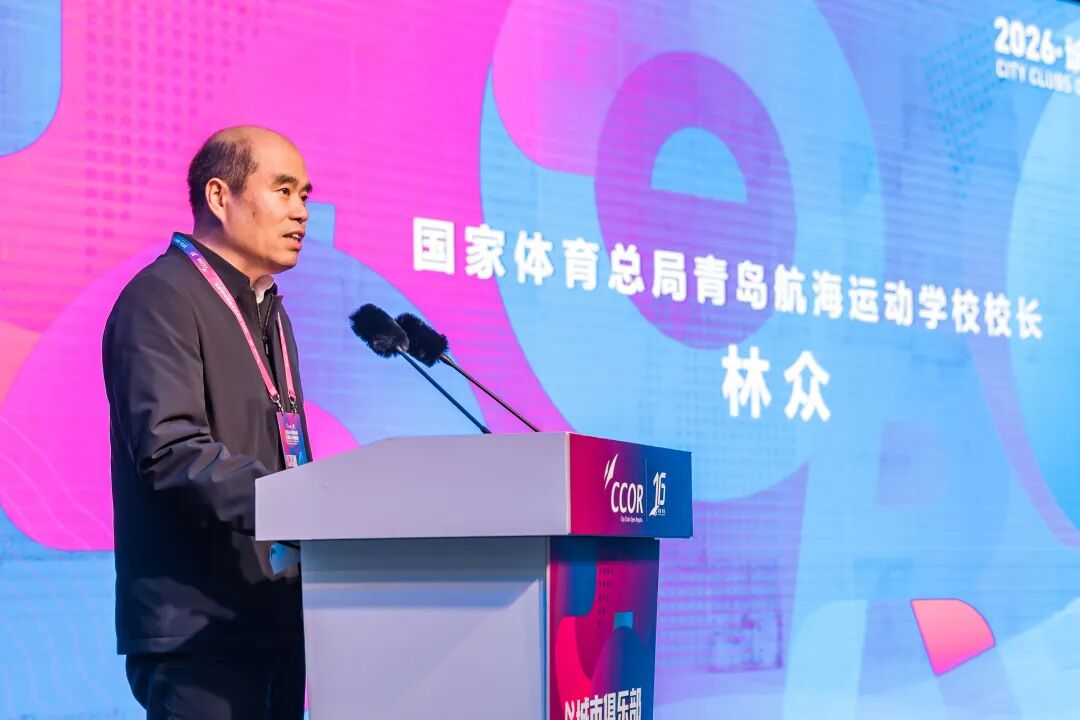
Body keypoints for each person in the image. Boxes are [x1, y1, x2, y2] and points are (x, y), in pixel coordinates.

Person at [102, 126, 314, 719]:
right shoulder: (161, 298)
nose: (301, 211)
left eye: (305, 196)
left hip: (275, 615)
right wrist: (303, 504)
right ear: (220, 196)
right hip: (200, 630)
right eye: (283, 191)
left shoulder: (269, 311)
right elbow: (169, 451)